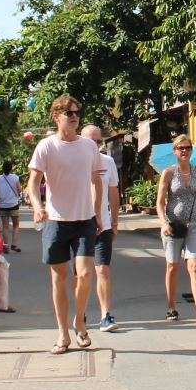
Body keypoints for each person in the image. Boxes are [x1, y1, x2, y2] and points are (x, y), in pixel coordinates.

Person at [26, 96, 105, 354]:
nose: (74, 116)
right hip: (56, 221)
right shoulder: (46, 146)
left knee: (84, 275)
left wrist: (98, 213)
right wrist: (38, 207)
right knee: (59, 279)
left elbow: (97, 181)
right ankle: (63, 334)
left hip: (84, 220)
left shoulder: (89, 147)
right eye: (68, 112)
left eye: (77, 112)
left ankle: (79, 320)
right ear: (56, 116)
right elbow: (33, 182)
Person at [156, 133, 196, 325]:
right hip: (173, 225)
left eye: (188, 148)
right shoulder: (169, 173)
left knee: (195, 266)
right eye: (181, 148)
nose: (185, 151)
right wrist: (164, 223)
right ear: (175, 151)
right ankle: (171, 307)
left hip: (195, 223)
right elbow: (160, 202)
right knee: (172, 266)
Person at [83, 125, 120, 331]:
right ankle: (81, 313)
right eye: (91, 141)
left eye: (98, 142)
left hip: (103, 225)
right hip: (79, 224)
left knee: (103, 270)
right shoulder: (75, 162)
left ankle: (106, 315)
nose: (95, 145)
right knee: (82, 273)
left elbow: (113, 193)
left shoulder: (108, 162)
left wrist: (114, 223)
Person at [0, 162, 23, 253]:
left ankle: (5, 246)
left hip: (2, 205)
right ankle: (14, 244)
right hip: (14, 204)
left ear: (2, 168)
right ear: (11, 168)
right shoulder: (15, 177)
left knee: (5, 227)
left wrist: (1, 196)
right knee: (16, 225)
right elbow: (19, 189)